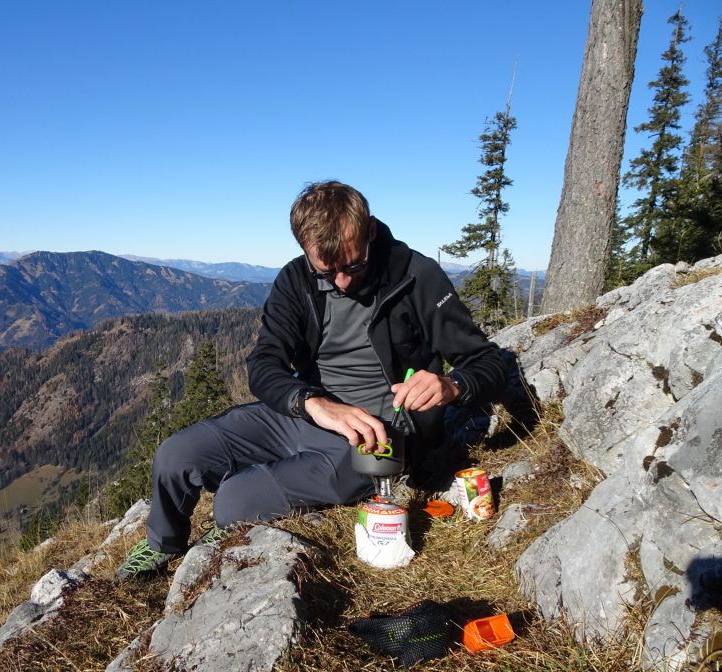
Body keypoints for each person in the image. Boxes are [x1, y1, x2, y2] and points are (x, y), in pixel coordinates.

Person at [115, 181, 507, 579]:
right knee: (175, 456)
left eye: (353, 265)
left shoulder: (416, 277)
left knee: (233, 501)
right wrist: (313, 403)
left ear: (370, 230)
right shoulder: (295, 280)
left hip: (379, 434)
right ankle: (162, 544)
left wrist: (452, 385)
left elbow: (486, 360)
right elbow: (265, 364)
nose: (342, 281)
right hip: (309, 411)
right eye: (326, 270)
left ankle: (235, 522)